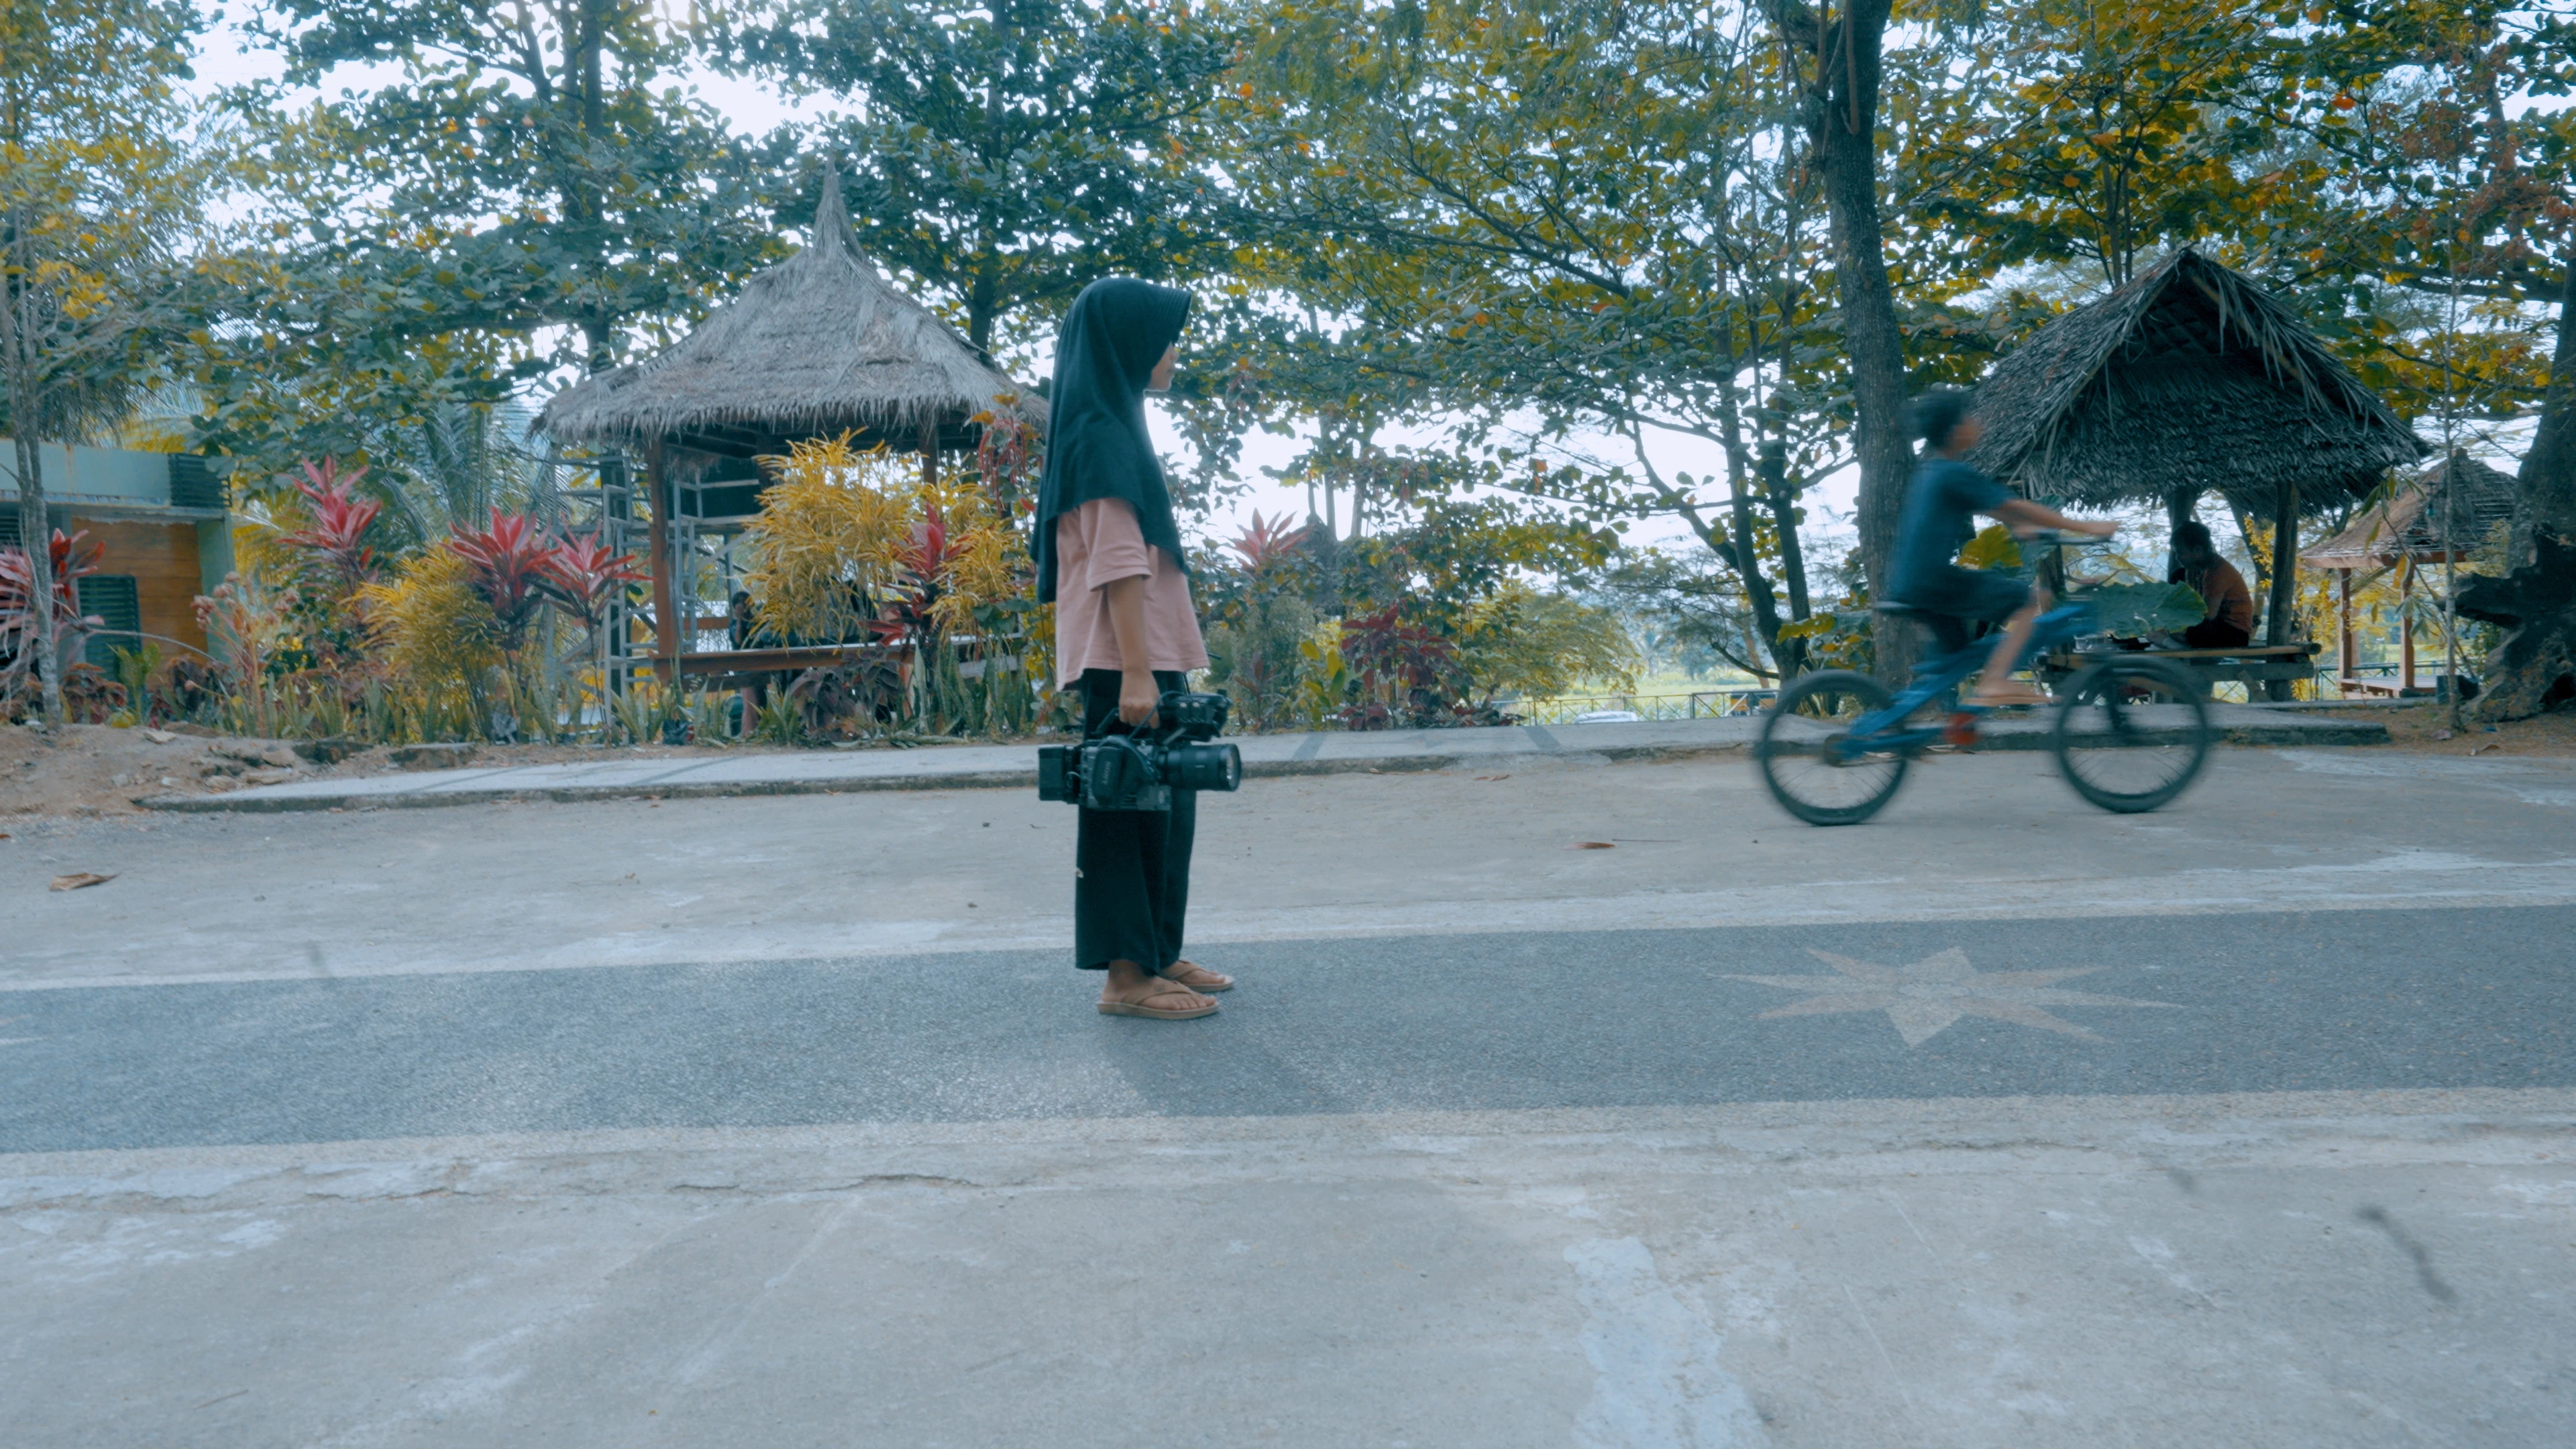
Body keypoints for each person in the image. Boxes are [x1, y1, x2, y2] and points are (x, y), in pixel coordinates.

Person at [1033, 277, 1234, 1021]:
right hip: (1125, 662)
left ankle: (1155, 950)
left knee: (1168, 809)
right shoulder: (1101, 439)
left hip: (1146, 657)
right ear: (1128, 345)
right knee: (1123, 811)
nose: (1173, 352)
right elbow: (1119, 564)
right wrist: (1141, 674)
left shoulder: (1113, 426)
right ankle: (1124, 978)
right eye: (1164, 337)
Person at [1884, 388, 2117, 706]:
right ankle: (1995, 681)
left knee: (1955, 660)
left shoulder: (1935, 472)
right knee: (2028, 599)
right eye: (1969, 417)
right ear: (1955, 432)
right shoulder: (1953, 472)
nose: (1976, 422)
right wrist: (2087, 527)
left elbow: (2001, 509)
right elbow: (2017, 504)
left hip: (1913, 583)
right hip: (1932, 582)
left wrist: (2020, 526)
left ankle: (1939, 727)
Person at [2167, 520, 2255, 649]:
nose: (2177, 557)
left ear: (2197, 550)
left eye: (2181, 553)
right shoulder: (2192, 569)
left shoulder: (2217, 572)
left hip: (2234, 634)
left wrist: (2177, 626)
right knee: (2177, 577)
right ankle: (2174, 638)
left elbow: (2208, 615)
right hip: (2214, 623)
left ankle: (2169, 642)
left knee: (2196, 629)